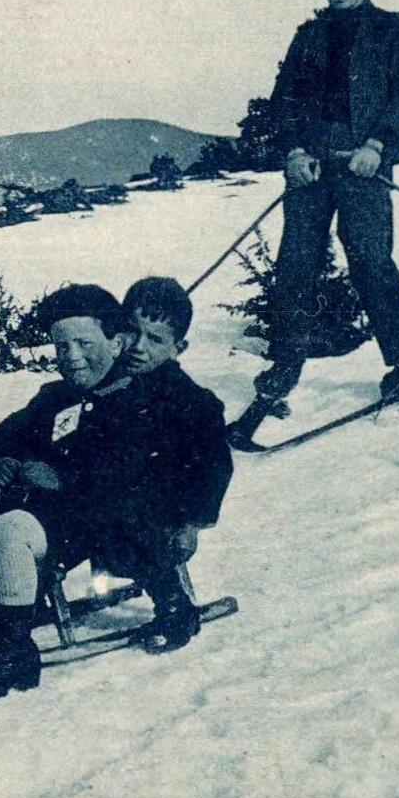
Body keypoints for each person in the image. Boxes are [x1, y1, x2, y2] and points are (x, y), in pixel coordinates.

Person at [0, 284, 230, 698]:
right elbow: (14, 431)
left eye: (84, 344)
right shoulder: (61, 395)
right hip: (35, 500)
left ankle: (16, 649)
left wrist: (63, 480)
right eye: (62, 347)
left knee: (12, 531)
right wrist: (3, 456)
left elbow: (133, 475)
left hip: (92, 518)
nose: (72, 356)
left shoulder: (149, 404)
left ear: (114, 343)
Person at [242, 0, 399, 435]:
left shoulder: (392, 28)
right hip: (312, 169)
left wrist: (377, 145)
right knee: (294, 265)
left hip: (363, 165)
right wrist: (293, 151)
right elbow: (282, 101)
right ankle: (284, 369)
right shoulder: (307, 35)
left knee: (370, 261)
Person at [119, 276, 234, 649]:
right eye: (132, 332)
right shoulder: (107, 380)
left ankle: (175, 608)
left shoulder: (192, 402)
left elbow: (214, 467)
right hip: (105, 494)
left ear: (178, 347)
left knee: (132, 512)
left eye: (155, 340)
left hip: (162, 507)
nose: (138, 347)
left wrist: (192, 522)